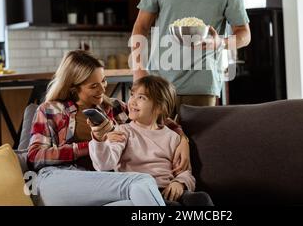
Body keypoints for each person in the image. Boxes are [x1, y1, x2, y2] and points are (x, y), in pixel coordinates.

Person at [27, 50, 189, 206]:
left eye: (104, 81)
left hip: (100, 181)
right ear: (73, 87)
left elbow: (157, 117)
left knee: (133, 200)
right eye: (94, 86)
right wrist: (91, 145)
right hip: (57, 179)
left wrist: (183, 140)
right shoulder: (49, 109)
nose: (103, 89)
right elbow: (35, 157)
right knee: (142, 181)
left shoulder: (113, 107)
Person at [89, 75, 213, 206]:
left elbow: (185, 172)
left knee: (201, 199)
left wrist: (180, 183)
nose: (132, 101)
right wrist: (99, 140)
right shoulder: (123, 131)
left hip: (168, 190)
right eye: (132, 95)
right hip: (140, 192)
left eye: (141, 97)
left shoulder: (173, 137)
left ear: (160, 107)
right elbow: (104, 164)